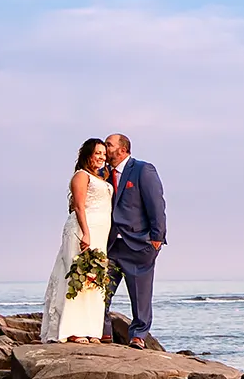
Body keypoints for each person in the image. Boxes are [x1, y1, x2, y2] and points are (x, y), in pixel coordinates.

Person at [40, 138, 113, 343]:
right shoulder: (81, 176)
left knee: (94, 279)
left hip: (101, 233)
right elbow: (80, 206)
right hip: (83, 230)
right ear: (88, 154)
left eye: (104, 154)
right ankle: (73, 330)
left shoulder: (100, 178)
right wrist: (86, 233)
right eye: (97, 153)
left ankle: (91, 330)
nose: (101, 157)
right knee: (78, 277)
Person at [104, 131, 166, 344]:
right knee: (100, 293)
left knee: (140, 296)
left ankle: (138, 337)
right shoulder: (102, 173)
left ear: (123, 149)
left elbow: (156, 204)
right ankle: (104, 334)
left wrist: (157, 238)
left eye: (109, 144)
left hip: (139, 244)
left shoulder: (142, 169)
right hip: (111, 244)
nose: (105, 148)